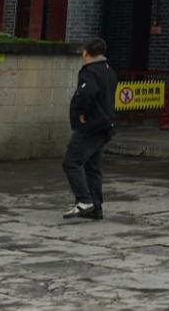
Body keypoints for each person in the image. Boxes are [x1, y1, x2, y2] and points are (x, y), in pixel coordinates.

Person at [61, 39, 116, 220]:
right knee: (93, 167)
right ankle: (95, 208)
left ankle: (84, 200)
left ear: (86, 52)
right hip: (105, 124)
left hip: (91, 126)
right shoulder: (109, 70)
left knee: (71, 162)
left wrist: (81, 112)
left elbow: (86, 93)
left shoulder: (90, 71)